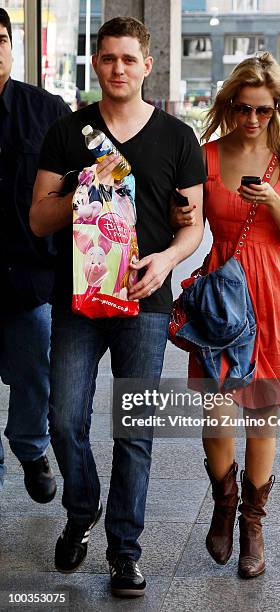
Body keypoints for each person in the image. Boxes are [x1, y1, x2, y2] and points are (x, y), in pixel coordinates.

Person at [30, 17, 205, 598]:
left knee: (136, 431)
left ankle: (125, 553)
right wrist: (81, 191)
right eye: (108, 59)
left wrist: (165, 261)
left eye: (129, 59)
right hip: (79, 298)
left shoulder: (178, 140)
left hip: (146, 300)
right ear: (96, 63)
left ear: (147, 65)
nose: (118, 69)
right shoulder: (68, 133)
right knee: (64, 419)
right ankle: (83, 507)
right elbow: (37, 218)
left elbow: (193, 227)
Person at [173, 52, 280, 579]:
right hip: (223, 293)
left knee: (262, 415)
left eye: (262, 109)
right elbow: (187, 225)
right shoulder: (206, 157)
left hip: (274, 292)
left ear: (277, 109)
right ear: (228, 106)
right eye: (241, 108)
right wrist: (180, 215)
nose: (251, 119)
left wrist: (275, 204)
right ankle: (224, 503)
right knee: (216, 411)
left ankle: (254, 524)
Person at [0, 9, 70, 501]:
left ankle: (29, 447)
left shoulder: (46, 110)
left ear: (10, 45)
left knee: (35, 374)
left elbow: (88, 175)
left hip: (28, 276)